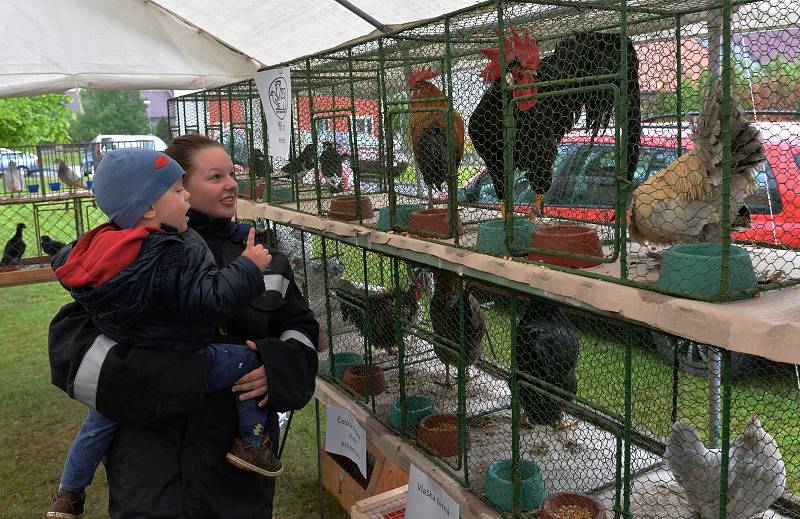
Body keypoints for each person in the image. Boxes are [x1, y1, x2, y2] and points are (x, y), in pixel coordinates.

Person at [48, 135, 319, 518]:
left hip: (234, 472)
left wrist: (276, 367)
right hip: (150, 465)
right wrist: (167, 373)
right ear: (177, 190)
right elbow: (72, 346)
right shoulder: (128, 255)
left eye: (231, 173)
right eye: (214, 176)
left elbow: (299, 328)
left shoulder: (265, 257)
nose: (231, 184)